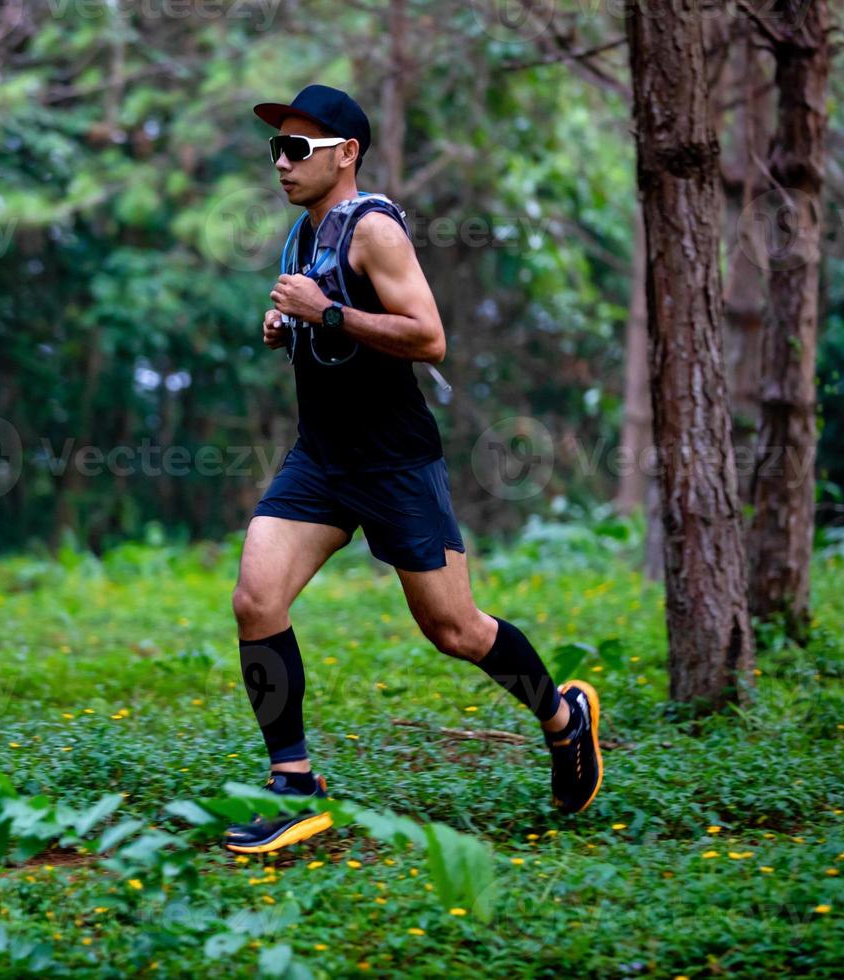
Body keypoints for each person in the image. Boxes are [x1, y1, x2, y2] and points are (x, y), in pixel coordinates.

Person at [222, 84, 602, 855]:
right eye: (276, 150)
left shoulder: (374, 230)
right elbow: (321, 326)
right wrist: (286, 324)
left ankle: (564, 720)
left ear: (346, 153)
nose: (282, 164)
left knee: (455, 629)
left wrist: (325, 313)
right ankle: (294, 785)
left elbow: (428, 338)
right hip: (322, 459)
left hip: (395, 461)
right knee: (256, 600)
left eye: (297, 149)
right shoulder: (303, 235)